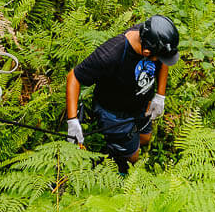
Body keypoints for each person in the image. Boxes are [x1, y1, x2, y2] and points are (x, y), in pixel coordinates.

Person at [65, 15, 179, 174]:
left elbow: (163, 60)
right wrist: (72, 120)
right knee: (132, 158)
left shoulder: (153, 35)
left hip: (141, 105)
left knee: (145, 138)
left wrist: (160, 96)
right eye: (156, 57)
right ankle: (118, 167)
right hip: (115, 114)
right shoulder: (111, 54)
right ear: (146, 52)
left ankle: (124, 148)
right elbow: (74, 77)